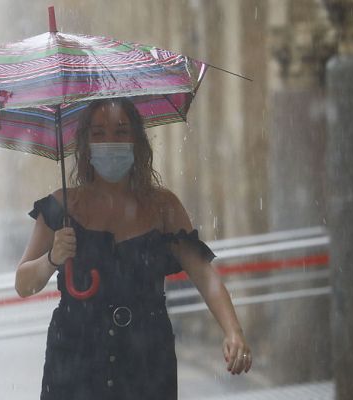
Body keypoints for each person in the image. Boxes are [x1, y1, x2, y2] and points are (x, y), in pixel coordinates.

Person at [15, 98, 251, 400]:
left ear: (137, 141)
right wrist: (52, 259)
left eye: (121, 131)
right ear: (85, 145)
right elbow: (23, 283)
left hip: (147, 361)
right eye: (98, 133)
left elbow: (203, 274)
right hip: (75, 360)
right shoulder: (60, 207)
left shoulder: (163, 207)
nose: (110, 142)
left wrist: (233, 331)